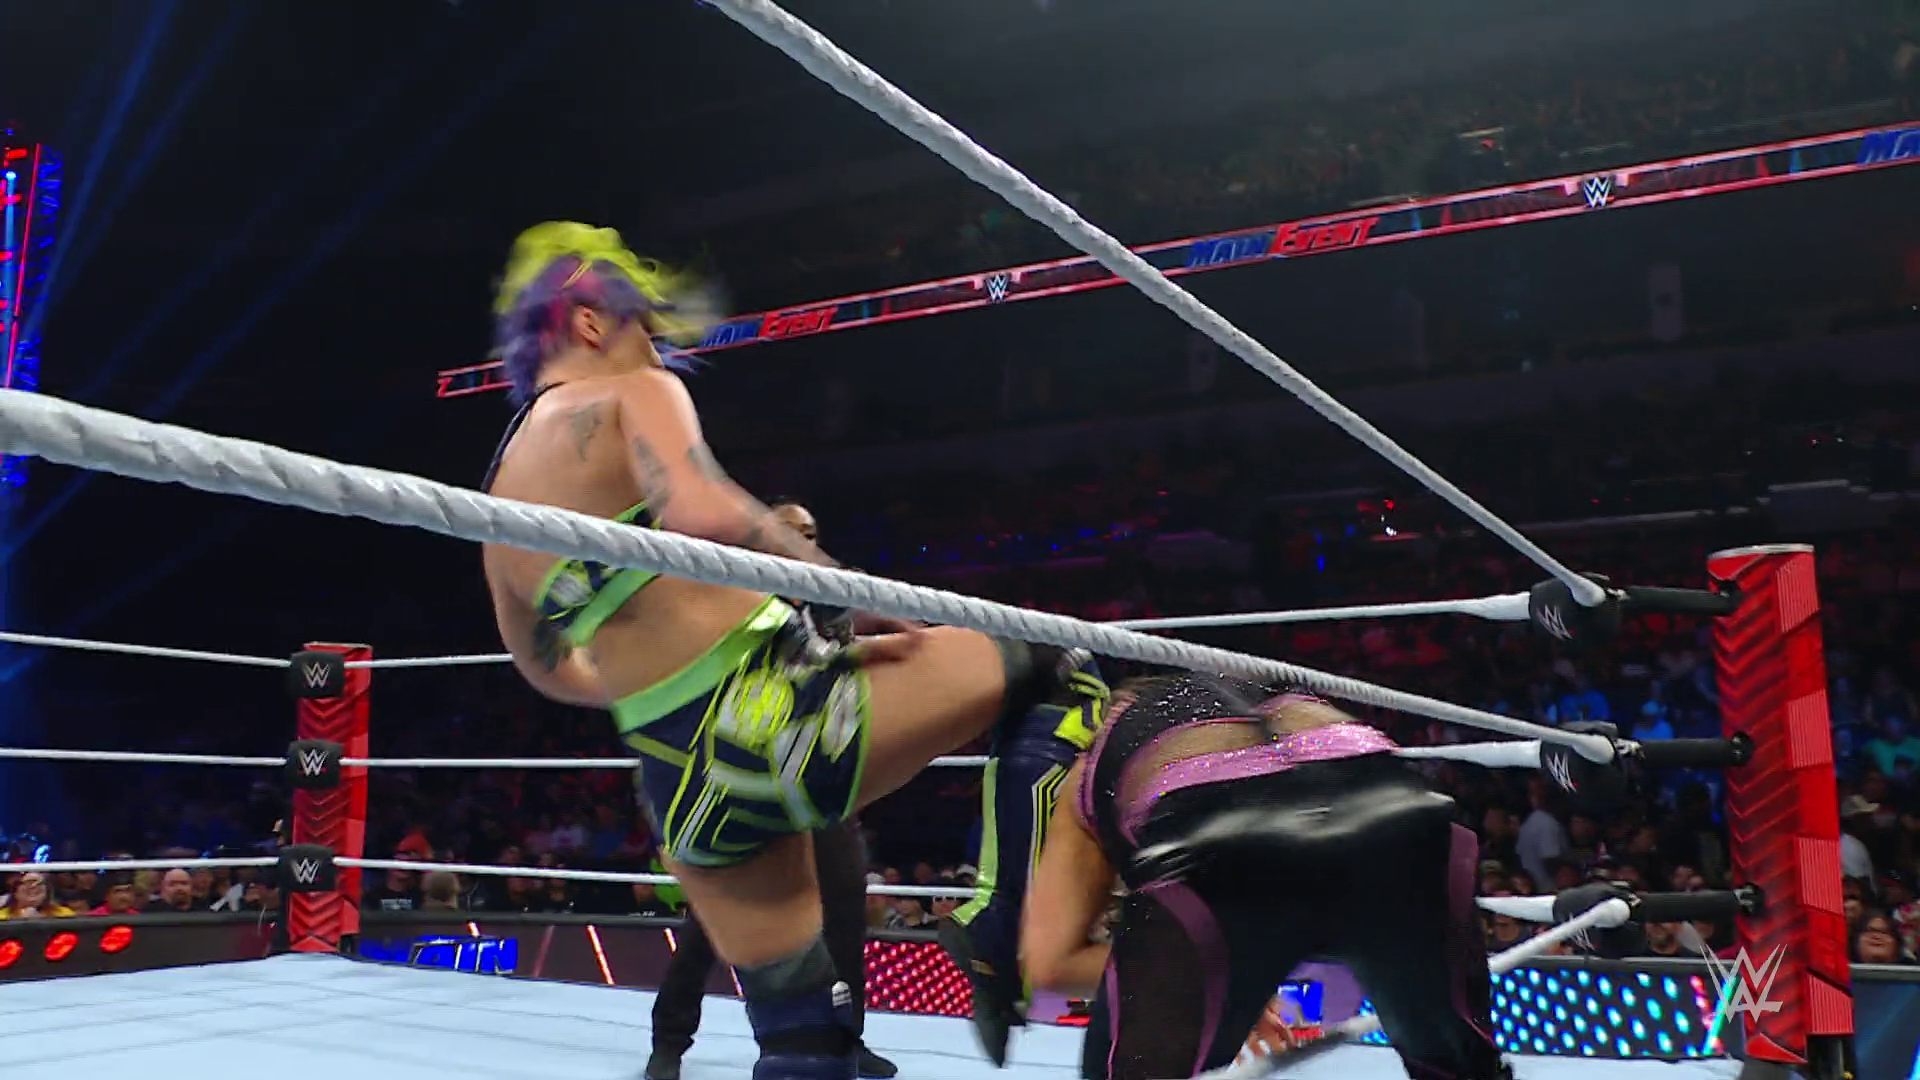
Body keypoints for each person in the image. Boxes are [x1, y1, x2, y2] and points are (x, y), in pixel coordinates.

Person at [480, 222, 1088, 1080]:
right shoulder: (629, 392)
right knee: (1055, 665)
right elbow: (701, 507)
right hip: (776, 719)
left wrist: (656, 679)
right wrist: (849, 593)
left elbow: (544, 668)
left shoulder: (499, 505)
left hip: (679, 783)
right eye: (641, 326)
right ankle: (999, 931)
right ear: (588, 321)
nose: (652, 345)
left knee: (805, 1045)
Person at [1021, 675, 1505, 1080]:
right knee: (1460, 1071)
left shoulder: (1093, 761)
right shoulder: (1266, 692)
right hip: (1402, 814)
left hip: (1224, 840)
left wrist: (1208, 974)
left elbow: (1049, 965)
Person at [646, 502, 897, 1080]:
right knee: (715, 917)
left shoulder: (829, 600)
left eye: (811, 533)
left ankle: (848, 1038)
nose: (803, 542)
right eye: (792, 533)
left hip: (817, 775)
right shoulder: (733, 595)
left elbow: (855, 660)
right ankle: (669, 1041)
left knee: (845, 903)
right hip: (747, 777)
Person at [940, 659, 1112, 1064]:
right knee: (1026, 891)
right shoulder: (1061, 660)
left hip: (1031, 747)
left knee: (1019, 882)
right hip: (1052, 748)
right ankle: (986, 939)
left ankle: (1004, 979)